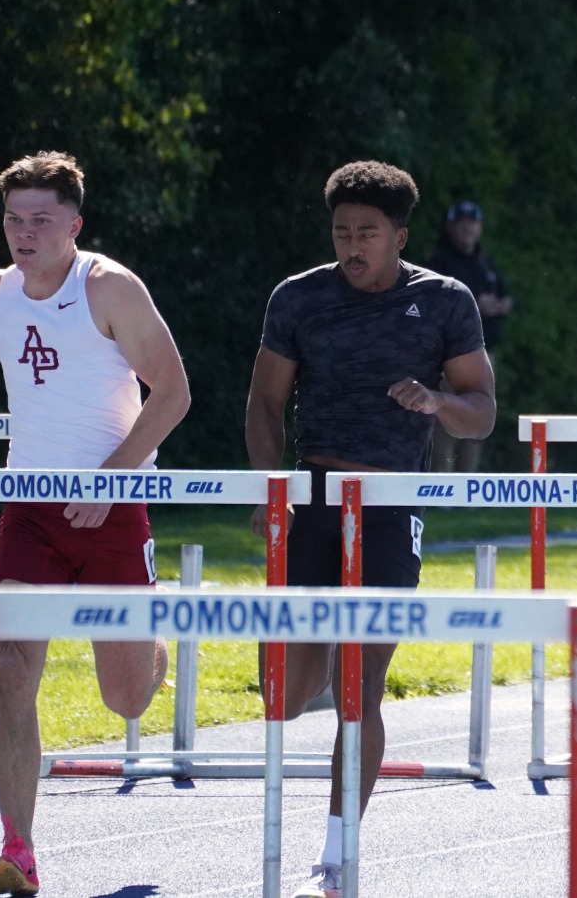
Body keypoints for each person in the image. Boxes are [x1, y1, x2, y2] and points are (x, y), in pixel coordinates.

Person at [0, 152, 189, 896]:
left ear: (74, 224)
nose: (23, 233)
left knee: (125, 697)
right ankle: (18, 847)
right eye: (12, 218)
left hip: (112, 502)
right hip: (30, 507)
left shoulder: (109, 287)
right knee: (14, 669)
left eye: (39, 219)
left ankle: (153, 640)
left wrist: (115, 474)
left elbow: (174, 392)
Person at [244, 161, 495, 898]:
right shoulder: (299, 296)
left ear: (400, 236)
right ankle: (318, 648)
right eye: (342, 232)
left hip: (391, 502)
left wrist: (437, 401)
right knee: (283, 695)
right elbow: (264, 400)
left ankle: (337, 850)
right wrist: (271, 483)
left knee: (363, 686)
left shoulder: (444, 299)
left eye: (368, 234)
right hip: (313, 495)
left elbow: (482, 407)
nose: (353, 246)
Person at [423, 199, 512, 473]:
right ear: (451, 227)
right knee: (447, 422)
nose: (468, 230)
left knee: (480, 422)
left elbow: (506, 298)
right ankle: (443, 489)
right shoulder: (440, 261)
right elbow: (435, 305)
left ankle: (469, 491)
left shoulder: (484, 260)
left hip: (485, 354)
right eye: (461, 224)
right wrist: (478, 304)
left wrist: (495, 305)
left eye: (472, 224)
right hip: (452, 356)